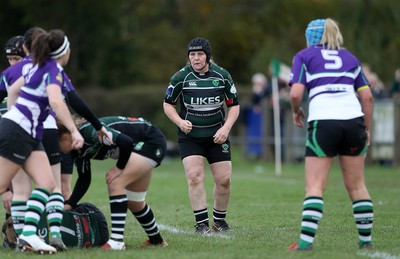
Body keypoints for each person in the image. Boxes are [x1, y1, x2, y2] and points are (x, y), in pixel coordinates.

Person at [3, 28, 111, 252]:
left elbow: (12, 90)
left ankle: (29, 235)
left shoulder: (36, 66)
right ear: (65, 51)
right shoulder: (54, 69)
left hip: (28, 133)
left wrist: (13, 114)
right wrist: (74, 130)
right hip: (18, 132)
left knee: (47, 183)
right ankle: (33, 235)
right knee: (4, 185)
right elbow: (57, 100)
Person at [287, 18, 374, 251]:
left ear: (310, 37)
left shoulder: (304, 56)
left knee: (315, 185)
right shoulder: (350, 58)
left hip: (324, 122)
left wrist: (297, 111)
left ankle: (305, 243)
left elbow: (296, 94)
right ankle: (366, 242)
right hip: (353, 121)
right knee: (357, 186)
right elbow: (367, 97)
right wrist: (365, 129)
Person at [163, 37, 240, 234]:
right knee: (195, 177)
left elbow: (234, 106)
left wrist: (226, 129)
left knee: (224, 180)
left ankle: (219, 222)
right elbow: (167, 104)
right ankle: (201, 224)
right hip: (190, 137)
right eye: (192, 55)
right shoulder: (180, 77)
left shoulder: (222, 76)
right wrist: (180, 122)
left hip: (217, 136)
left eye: (200, 54)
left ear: (208, 56)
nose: (196, 58)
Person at [58, 116, 168, 250]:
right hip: (138, 146)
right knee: (134, 202)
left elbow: (126, 142)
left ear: (64, 137)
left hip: (149, 141)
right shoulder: (76, 149)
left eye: (54, 142)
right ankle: (157, 241)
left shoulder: (89, 131)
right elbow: (84, 178)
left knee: (115, 182)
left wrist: (119, 168)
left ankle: (117, 241)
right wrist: (70, 204)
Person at [0, 35, 27, 220]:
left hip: (41, 139)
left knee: (55, 186)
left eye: (16, 59)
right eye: (10, 60)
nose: (12, 64)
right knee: (15, 189)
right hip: (14, 142)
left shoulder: (42, 75)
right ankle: (14, 230)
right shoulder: (6, 79)